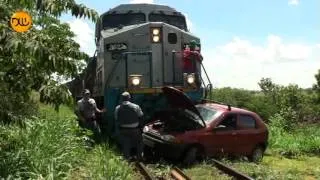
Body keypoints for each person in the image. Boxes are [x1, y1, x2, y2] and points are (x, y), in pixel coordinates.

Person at [114, 91, 144, 161]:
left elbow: (116, 119)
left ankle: (127, 158)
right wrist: (141, 127)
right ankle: (139, 156)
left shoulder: (117, 108)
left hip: (123, 129)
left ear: (121, 99)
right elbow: (141, 116)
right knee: (139, 142)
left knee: (126, 144)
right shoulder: (136, 106)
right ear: (129, 98)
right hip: (135, 129)